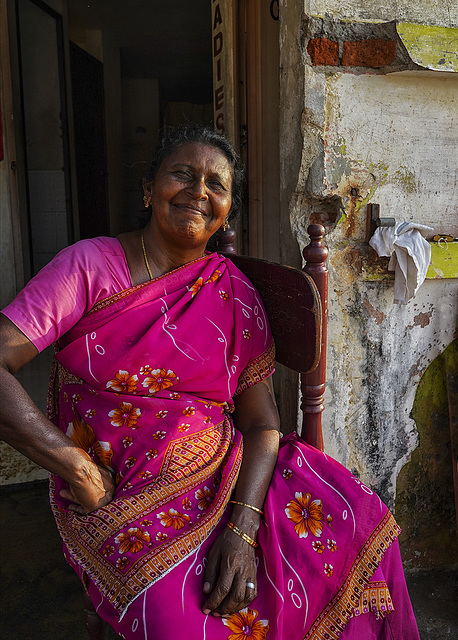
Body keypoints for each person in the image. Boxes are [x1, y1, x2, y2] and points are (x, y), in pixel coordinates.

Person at [0, 124, 419, 639]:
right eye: (182, 174)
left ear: (225, 213)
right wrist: (77, 468)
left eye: (216, 185)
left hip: (227, 477)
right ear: (148, 189)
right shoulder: (89, 267)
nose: (199, 191)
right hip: (119, 497)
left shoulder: (233, 291)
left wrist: (243, 526)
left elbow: (262, 421)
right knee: (178, 622)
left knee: (361, 521)